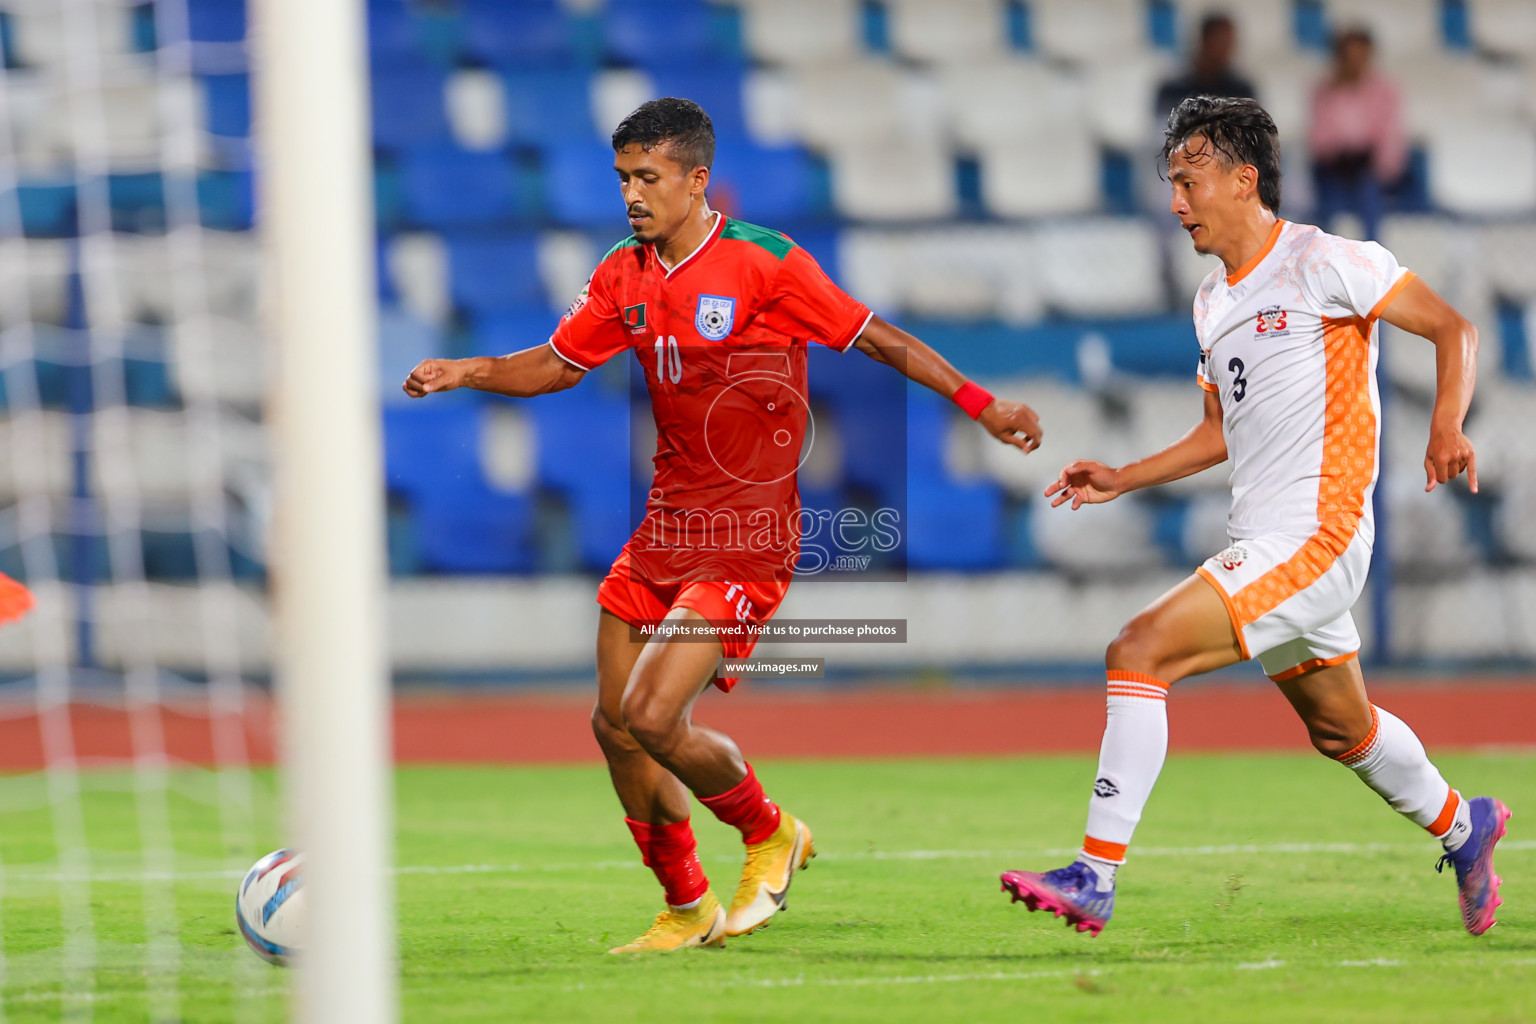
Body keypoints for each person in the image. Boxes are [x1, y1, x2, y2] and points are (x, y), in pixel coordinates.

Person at [404, 98, 1043, 953]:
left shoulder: (765, 263)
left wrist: (983, 403)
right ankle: (685, 905)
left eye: (649, 178)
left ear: (696, 180)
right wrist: (470, 368)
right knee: (614, 726)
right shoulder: (622, 272)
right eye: (624, 178)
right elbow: (559, 365)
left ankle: (770, 831)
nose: (633, 195)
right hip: (666, 523)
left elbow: (879, 340)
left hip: (749, 531)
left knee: (657, 716)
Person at [999, 96, 1507, 939]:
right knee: (1342, 730)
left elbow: (1453, 329)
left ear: (1245, 179)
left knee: (1137, 650)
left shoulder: (1326, 260)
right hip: (1267, 545)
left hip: (1318, 534)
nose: (1176, 203)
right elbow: (1216, 433)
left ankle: (1094, 874)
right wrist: (1124, 476)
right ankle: (1465, 826)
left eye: (1189, 182)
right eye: (1171, 184)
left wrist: (1448, 421)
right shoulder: (1212, 302)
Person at [1308, 26, 1407, 241]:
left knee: (1368, 192)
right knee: (1327, 202)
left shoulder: (1384, 91)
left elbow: (1390, 139)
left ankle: (1373, 261)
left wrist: (1377, 166)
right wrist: (1339, 155)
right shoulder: (1324, 92)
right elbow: (1319, 139)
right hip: (1334, 169)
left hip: (1370, 171)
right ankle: (1324, 261)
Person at [1154, 13, 1256, 119]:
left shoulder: (1240, 92)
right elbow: (1164, 126)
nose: (1227, 50)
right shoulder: (1173, 90)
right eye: (1221, 43)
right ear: (1205, 40)